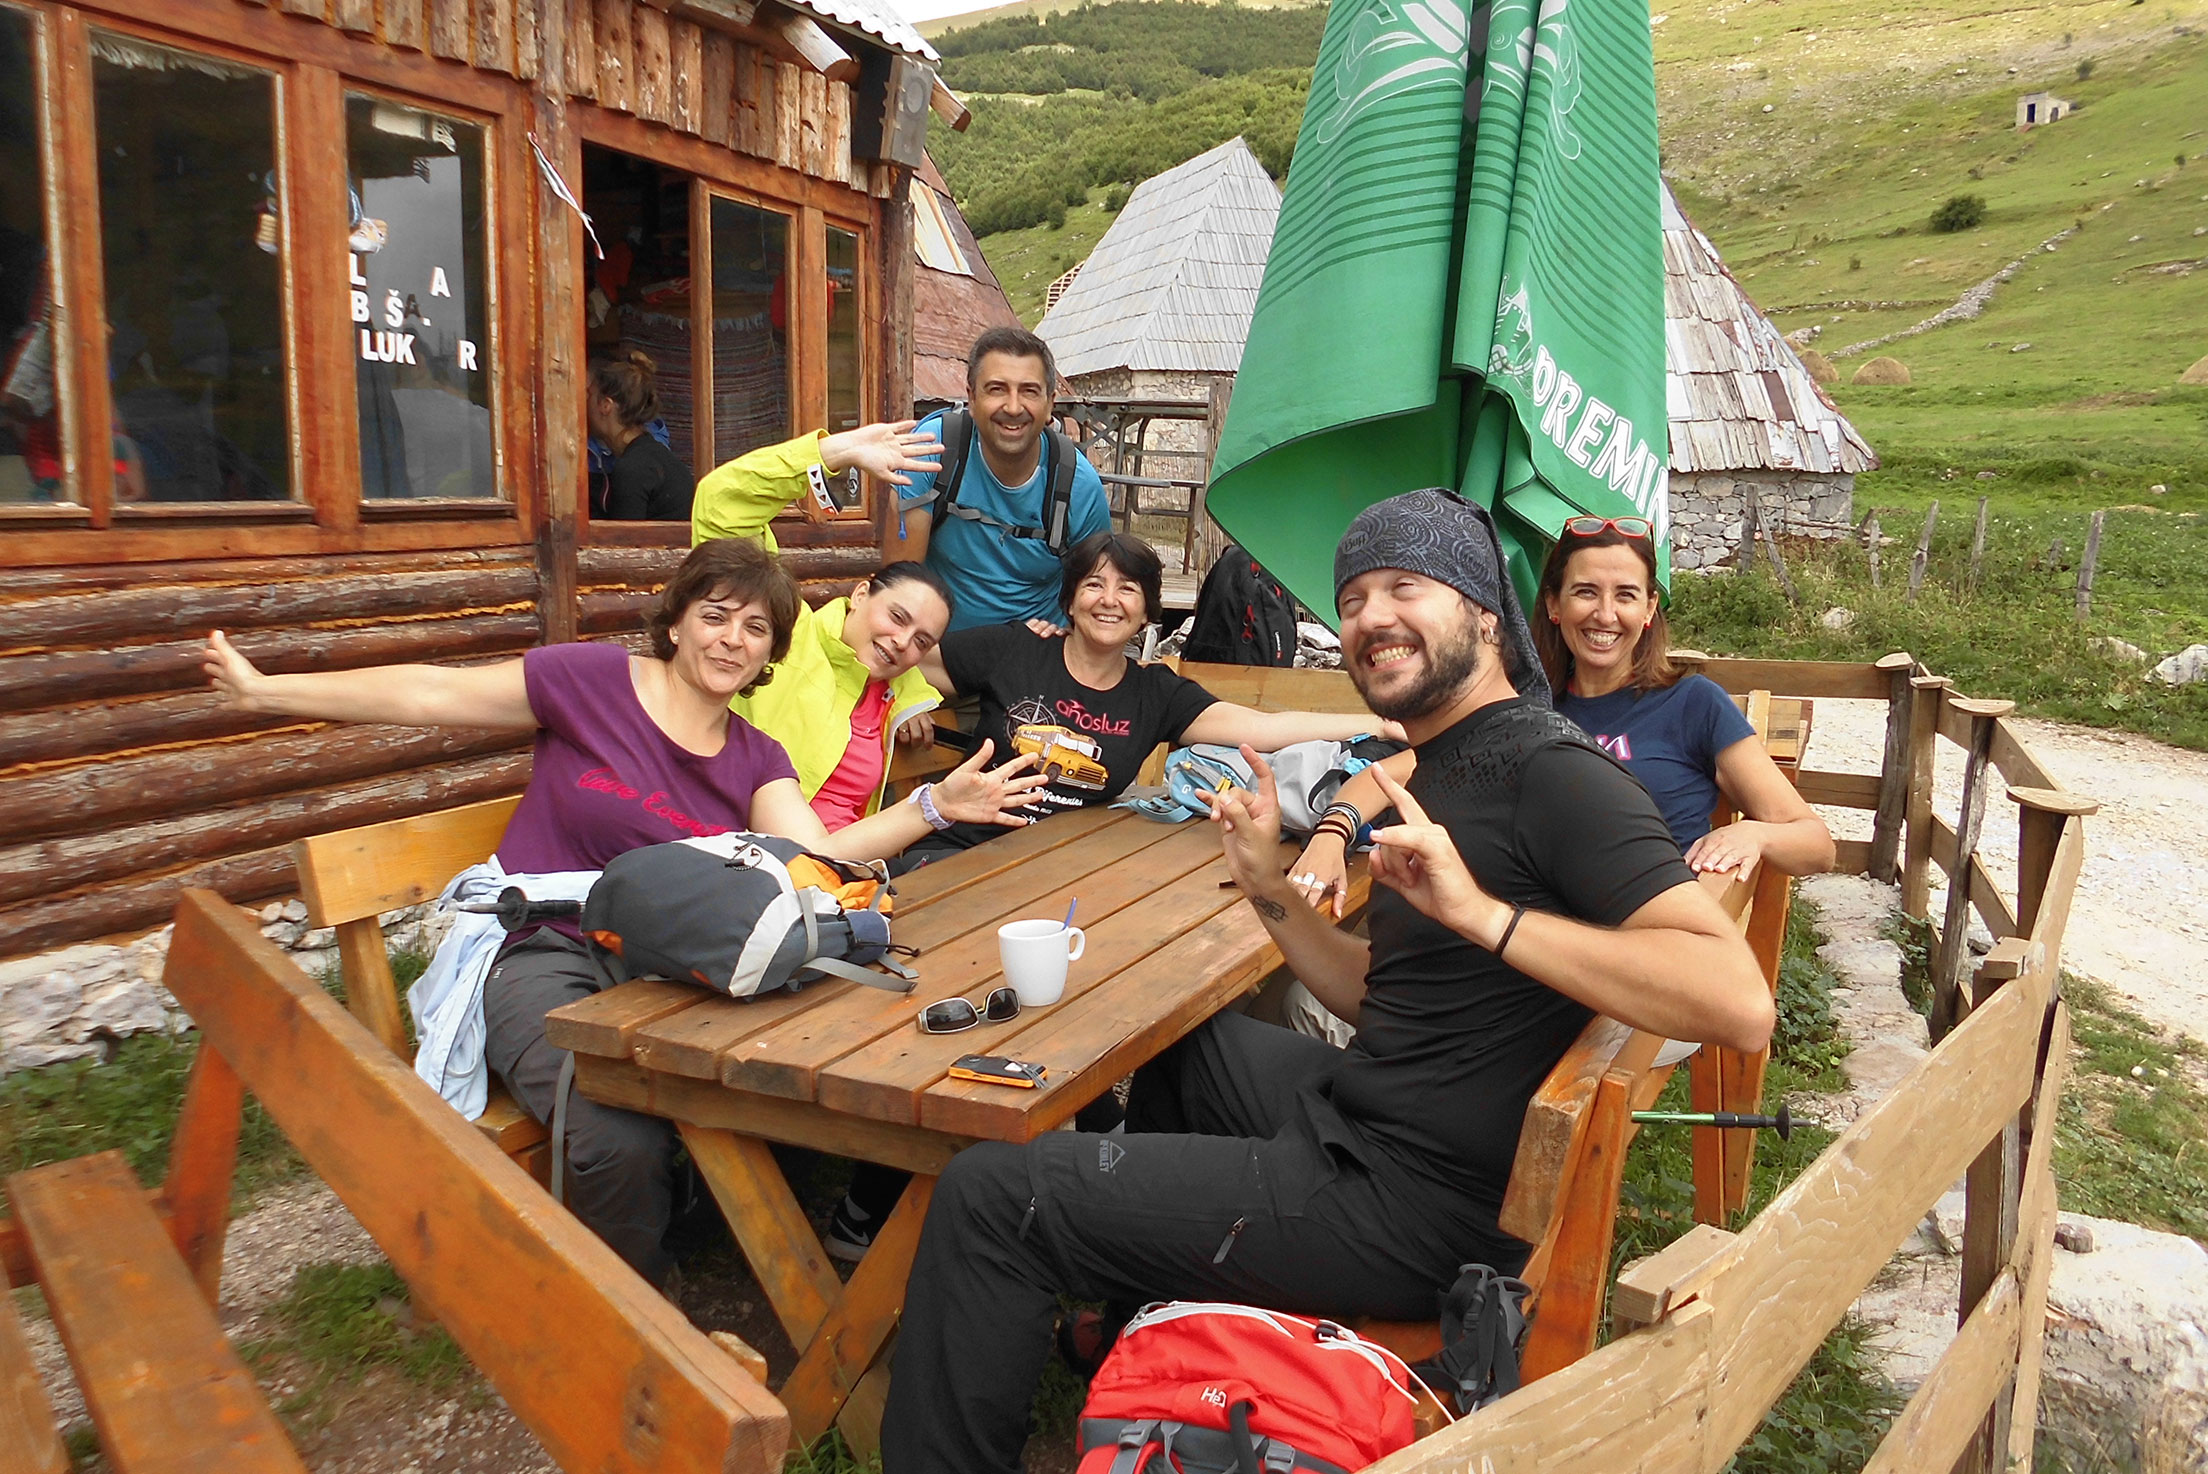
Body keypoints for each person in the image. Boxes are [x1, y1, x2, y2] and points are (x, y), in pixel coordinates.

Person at [878, 488, 1774, 1474]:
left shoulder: (1551, 772)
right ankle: (1154, 1332)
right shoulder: (1438, 761)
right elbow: (1382, 995)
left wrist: (1487, 917)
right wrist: (1270, 890)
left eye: (1405, 587)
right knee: (1189, 1043)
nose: (1371, 617)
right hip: (1381, 1117)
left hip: (1408, 1204)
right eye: (1352, 599)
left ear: (1485, 614)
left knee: (992, 1195)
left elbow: (1735, 1000)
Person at [199, 538, 1046, 1291]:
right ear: (676, 621)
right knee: (617, 1137)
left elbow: (819, 852)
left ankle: (700, 1224)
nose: (733, 639)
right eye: (716, 616)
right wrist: (266, 691)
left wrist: (933, 807)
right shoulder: (589, 683)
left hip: (664, 963)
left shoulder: (756, 756)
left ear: (769, 657)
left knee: (790, 1069)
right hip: (544, 947)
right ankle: (639, 1319)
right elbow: (430, 693)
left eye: (756, 630)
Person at [1288, 514, 1834, 917]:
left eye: (1626, 595)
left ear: (1649, 610)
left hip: (1647, 951)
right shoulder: (1521, 710)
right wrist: (1330, 836)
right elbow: (1386, 776)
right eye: (1585, 592)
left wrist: (1756, 835)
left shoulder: (1692, 703)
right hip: (1530, 940)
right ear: (1553, 605)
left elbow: (1816, 844)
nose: (1605, 614)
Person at [908, 529, 1395, 860]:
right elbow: (903, 655)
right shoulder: (1016, 648)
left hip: (1061, 865)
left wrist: (1377, 723)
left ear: (1146, 613)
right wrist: (907, 703)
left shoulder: (1154, 693)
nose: (1109, 600)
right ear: (1070, 601)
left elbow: (1263, 728)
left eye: (1128, 589)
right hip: (960, 849)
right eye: (1093, 584)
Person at [693, 419, 956, 766]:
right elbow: (721, 503)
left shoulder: (892, 688)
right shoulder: (785, 634)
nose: (903, 642)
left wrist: (909, 696)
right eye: (897, 617)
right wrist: (834, 452)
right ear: (860, 595)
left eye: (921, 641)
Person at [893, 326, 1112, 631]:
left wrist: (1066, 637)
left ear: (1050, 403)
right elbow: (902, 584)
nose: (1013, 407)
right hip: (940, 646)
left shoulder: (1078, 486)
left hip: (1035, 649)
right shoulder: (933, 450)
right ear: (971, 398)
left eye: (1029, 391)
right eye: (997, 389)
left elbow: (1098, 595)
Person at [589, 350, 694, 521]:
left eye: (588, 395)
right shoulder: (651, 456)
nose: (583, 403)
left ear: (605, 405)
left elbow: (625, 537)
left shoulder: (633, 469)